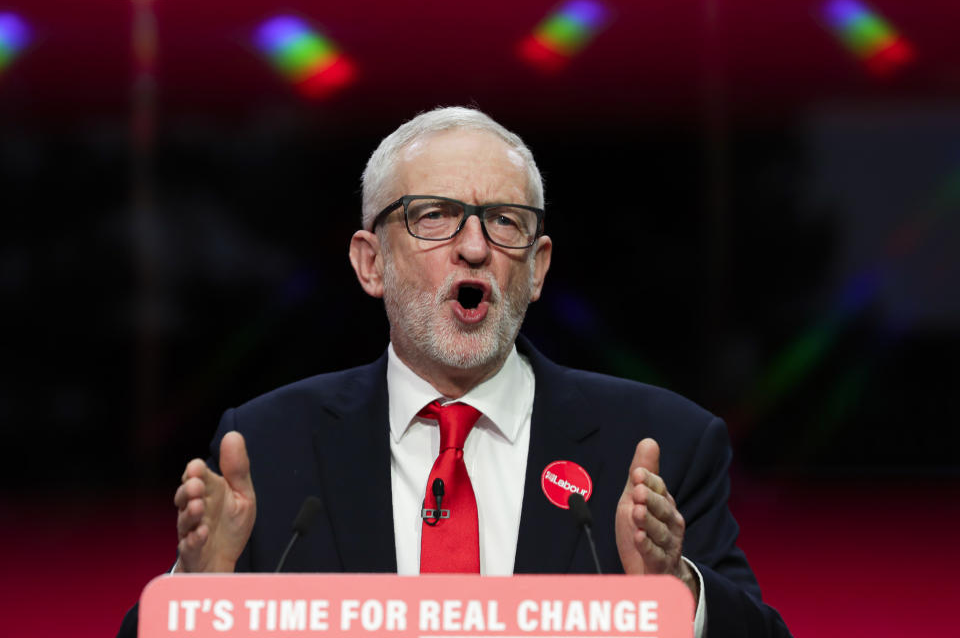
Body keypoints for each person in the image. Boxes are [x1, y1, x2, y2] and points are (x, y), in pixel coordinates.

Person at [118, 107, 791, 637]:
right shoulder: (266, 447)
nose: (474, 248)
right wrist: (192, 597)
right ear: (370, 263)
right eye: (434, 217)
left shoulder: (663, 444)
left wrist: (680, 594)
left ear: (537, 268)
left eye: (504, 222)